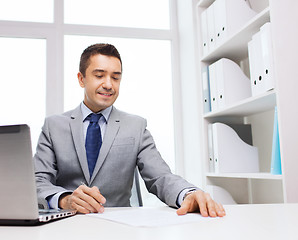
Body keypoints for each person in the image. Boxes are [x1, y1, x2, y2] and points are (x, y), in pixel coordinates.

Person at [34, 43, 225, 217]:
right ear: (81, 79)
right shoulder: (54, 126)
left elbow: (160, 176)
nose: (108, 84)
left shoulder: (136, 126)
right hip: (66, 225)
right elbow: (38, 181)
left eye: (115, 77)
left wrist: (188, 194)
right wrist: (65, 199)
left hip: (119, 225)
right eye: (99, 75)